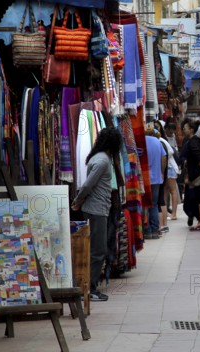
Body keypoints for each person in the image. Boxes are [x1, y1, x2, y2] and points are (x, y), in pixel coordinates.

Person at [71, 127, 122, 302]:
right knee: (98, 251)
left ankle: (90, 286)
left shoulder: (99, 158)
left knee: (95, 250)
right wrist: (77, 201)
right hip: (96, 210)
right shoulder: (102, 161)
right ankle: (90, 288)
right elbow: (87, 185)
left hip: (96, 209)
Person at [180, 119, 200, 231]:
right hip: (196, 173)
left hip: (198, 174)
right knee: (199, 197)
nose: (183, 130)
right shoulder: (193, 141)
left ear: (191, 130)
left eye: (185, 129)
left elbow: (199, 158)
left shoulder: (193, 142)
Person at [144, 127, 167, 239]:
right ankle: (155, 231)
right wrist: (161, 172)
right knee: (154, 205)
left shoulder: (141, 141)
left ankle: (147, 231)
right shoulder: (158, 142)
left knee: (145, 205)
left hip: (144, 179)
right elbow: (164, 157)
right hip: (156, 179)